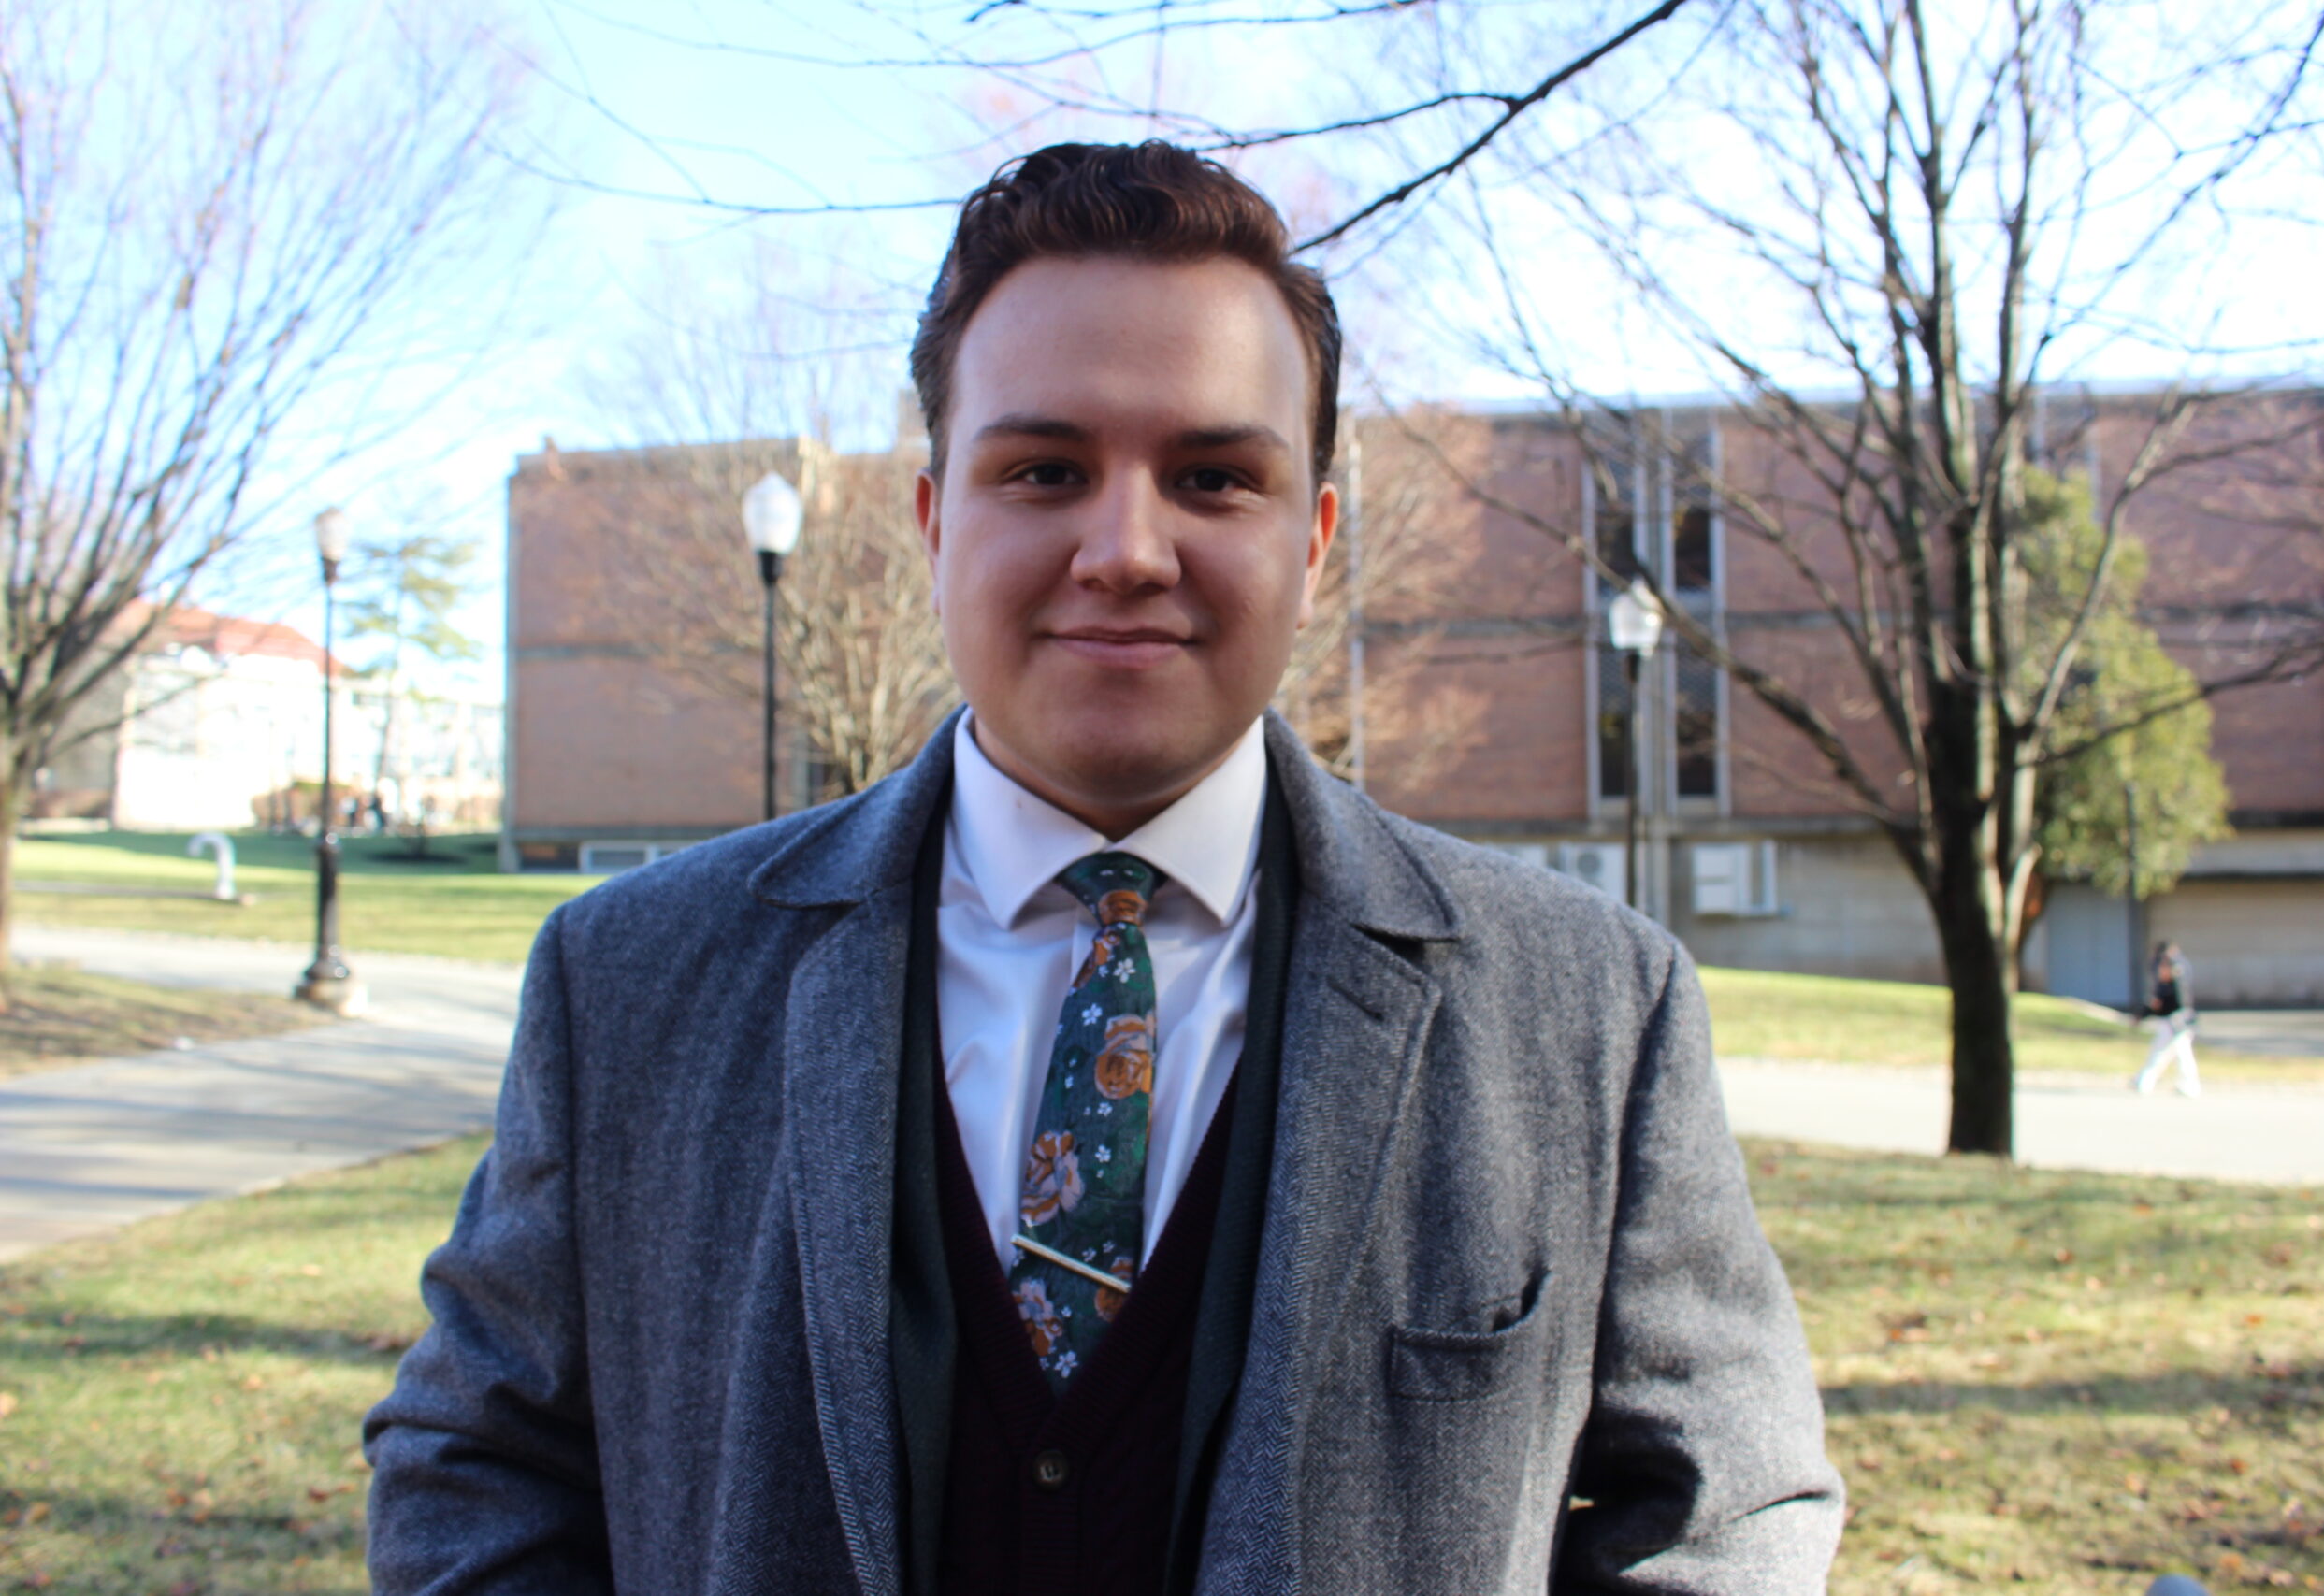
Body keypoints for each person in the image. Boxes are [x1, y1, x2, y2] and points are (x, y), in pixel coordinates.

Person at [364, 142, 1842, 1594]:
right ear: (937, 520)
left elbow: (1729, 1498)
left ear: (1314, 540)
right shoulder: (629, 981)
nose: (1127, 547)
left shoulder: (1586, 1006)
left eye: (1212, 476)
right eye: (1046, 467)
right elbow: (474, 1457)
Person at [2134, 940, 2201, 1097]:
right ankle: (2145, 1079)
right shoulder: (2173, 978)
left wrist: (2144, 1013)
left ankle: (2145, 1080)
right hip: (2175, 1021)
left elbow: (2170, 1002)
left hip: (2176, 1022)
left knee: (2168, 1053)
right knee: (2177, 1054)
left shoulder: (2175, 978)